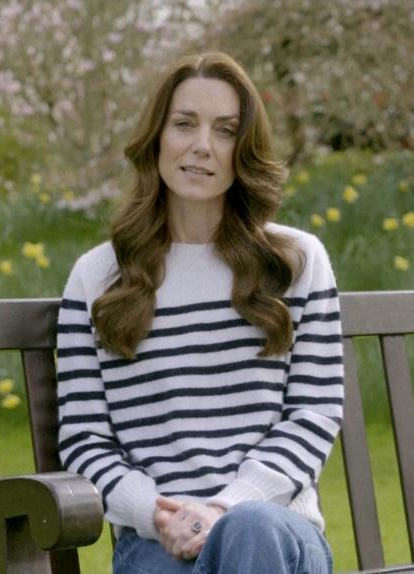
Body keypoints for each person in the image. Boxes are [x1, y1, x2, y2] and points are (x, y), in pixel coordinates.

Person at [55, 51, 344, 574]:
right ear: (157, 137)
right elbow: (85, 438)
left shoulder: (294, 264)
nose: (202, 146)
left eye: (225, 130)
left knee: (248, 530)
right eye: (185, 124)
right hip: (156, 541)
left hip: (275, 532)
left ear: (244, 149)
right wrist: (157, 513)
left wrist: (224, 507)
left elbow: (314, 412)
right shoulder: (98, 277)